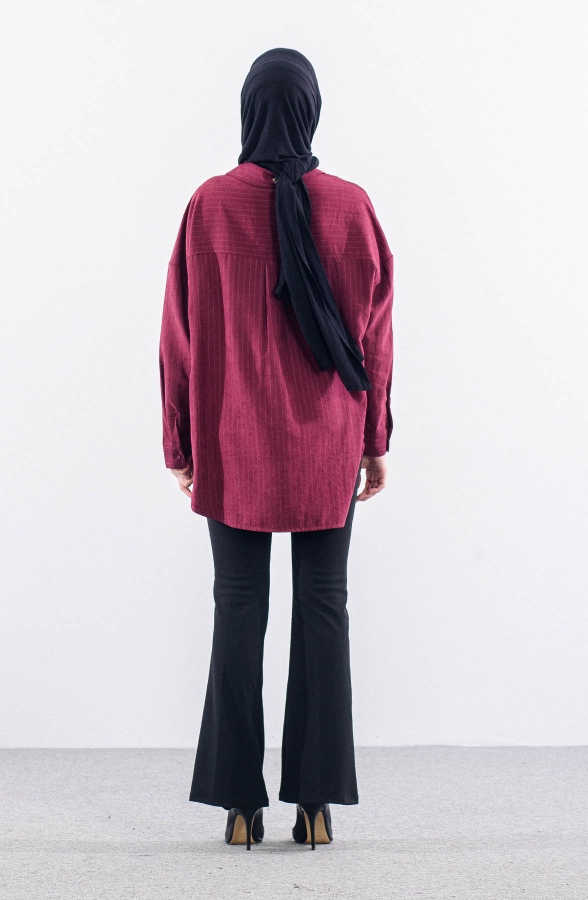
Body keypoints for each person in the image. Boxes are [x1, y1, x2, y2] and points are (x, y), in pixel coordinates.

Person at [158, 47, 394, 850]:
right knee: (325, 607)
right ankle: (316, 805)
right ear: (312, 112)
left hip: (234, 441)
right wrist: (374, 439)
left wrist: (180, 441)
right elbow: (376, 337)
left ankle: (238, 806)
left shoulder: (210, 205)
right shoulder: (353, 207)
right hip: (328, 441)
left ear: (248, 110)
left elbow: (180, 337)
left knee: (237, 607)